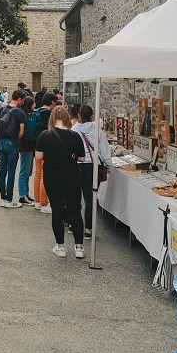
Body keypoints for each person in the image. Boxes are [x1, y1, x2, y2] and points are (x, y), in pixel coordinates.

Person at [35, 106, 86, 259]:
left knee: (57, 209)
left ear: (51, 118)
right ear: (66, 117)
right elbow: (81, 158)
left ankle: (61, 246)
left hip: (52, 175)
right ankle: (79, 247)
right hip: (71, 176)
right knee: (74, 210)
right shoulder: (75, 136)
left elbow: (38, 157)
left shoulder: (45, 135)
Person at [72, 103, 113, 239]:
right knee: (89, 198)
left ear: (79, 116)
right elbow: (105, 150)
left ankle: (74, 224)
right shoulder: (97, 131)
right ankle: (88, 229)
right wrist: (108, 166)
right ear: (91, 116)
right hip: (92, 166)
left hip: (76, 165)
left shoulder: (74, 130)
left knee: (76, 196)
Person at [0, 89, 27, 208]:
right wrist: (15, 140)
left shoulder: (2, 109)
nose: (23, 103)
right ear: (19, 99)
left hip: (1, 143)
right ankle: (9, 200)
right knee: (11, 172)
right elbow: (21, 132)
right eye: (22, 100)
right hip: (12, 143)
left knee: (2, 171)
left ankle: (2, 198)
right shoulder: (20, 113)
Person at [33, 93, 56, 212]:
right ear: (52, 102)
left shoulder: (37, 111)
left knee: (37, 173)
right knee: (44, 174)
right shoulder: (48, 115)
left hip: (36, 145)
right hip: (45, 146)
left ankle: (36, 200)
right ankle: (43, 202)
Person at [17, 95, 40, 205]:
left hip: (26, 145)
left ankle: (25, 194)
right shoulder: (28, 116)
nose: (35, 105)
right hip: (27, 146)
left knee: (27, 171)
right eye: (33, 103)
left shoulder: (25, 115)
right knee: (24, 171)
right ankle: (22, 195)